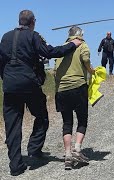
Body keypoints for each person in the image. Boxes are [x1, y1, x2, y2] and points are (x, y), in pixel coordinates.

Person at [0, 10, 82, 176]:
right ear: (32, 22)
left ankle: (15, 166)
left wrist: (6, 78)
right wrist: (72, 45)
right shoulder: (33, 36)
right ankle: (34, 149)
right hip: (29, 84)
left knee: (12, 126)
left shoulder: (5, 37)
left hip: (9, 86)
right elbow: (50, 52)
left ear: (19, 21)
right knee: (42, 116)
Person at [54, 26, 95, 170]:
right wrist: (92, 70)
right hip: (78, 87)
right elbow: (86, 59)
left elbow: (55, 71)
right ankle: (77, 150)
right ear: (80, 35)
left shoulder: (62, 48)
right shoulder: (82, 45)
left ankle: (67, 156)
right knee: (82, 119)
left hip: (62, 90)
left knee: (67, 122)